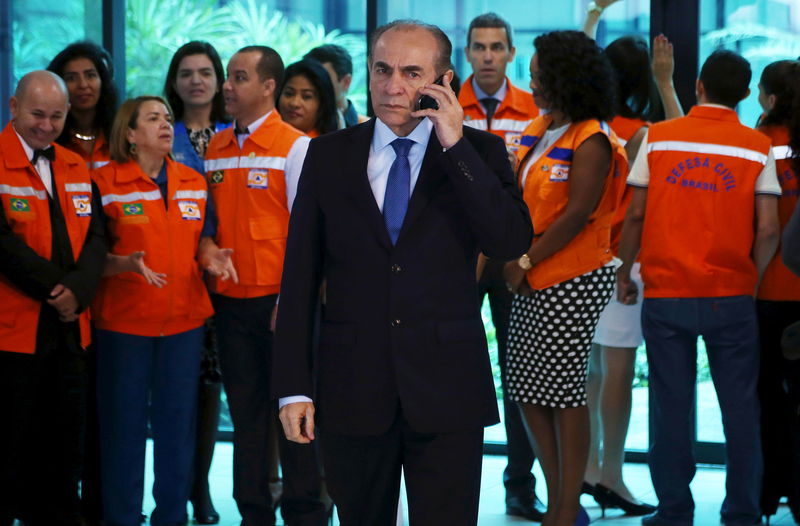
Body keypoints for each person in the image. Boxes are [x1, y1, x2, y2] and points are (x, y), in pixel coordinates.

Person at [273, 19, 533, 526]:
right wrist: (294, 387)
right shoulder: (325, 156)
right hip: (351, 387)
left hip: (448, 389)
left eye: (412, 73)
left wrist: (455, 144)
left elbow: (508, 242)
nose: (393, 86)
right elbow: (299, 279)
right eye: (382, 70)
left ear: (444, 81)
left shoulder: (478, 153)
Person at [616, 49, 781, 526]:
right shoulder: (756, 146)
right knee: (739, 409)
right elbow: (768, 229)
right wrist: (750, 276)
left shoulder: (660, 139)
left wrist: (625, 271)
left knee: (670, 408)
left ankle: (673, 511)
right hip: (731, 294)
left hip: (667, 293)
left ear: (698, 88)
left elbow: (636, 214)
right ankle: (742, 512)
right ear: (747, 95)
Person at [91, 95, 235, 526]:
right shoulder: (104, 182)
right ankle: (121, 517)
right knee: (124, 433)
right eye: (153, 119)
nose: (165, 124)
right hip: (124, 325)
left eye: (168, 118)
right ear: (130, 135)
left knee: (177, 433)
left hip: (184, 325)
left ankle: (171, 517)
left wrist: (211, 256)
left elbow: (203, 238)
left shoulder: (193, 181)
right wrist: (124, 264)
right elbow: (87, 255)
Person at [503, 30, 626, 526]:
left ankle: (564, 506)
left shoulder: (592, 136)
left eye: (538, 74)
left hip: (572, 277)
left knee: (562, 389)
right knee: (526, 386)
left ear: (563, 78)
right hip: (531, 273)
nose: (531, 82)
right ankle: (563, 501)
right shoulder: (541, 127)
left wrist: (527, 262)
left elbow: (577, 214)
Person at [203, 45, 327, 526]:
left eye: (237, 78)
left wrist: (291, 302)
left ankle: (305, 512)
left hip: (280, 307)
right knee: (247, 417)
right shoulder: (214, 147)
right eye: (228, 78)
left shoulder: (294, 146)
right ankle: (252, 511)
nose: (226, 87)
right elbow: (206, 224)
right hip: (231, 305)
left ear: (267, 87)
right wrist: (208, 248)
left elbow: (309, 235)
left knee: (296, 415)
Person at [583, 12, 682, 515]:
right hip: (623, 260)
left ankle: (588, 470)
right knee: (616, 374)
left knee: (595, 372)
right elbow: (682, 137)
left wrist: (593, 17)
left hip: (585, 259)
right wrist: (666, 82)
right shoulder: (644, 133)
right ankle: (612, 477)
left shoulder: (590, 128)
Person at [0, 70, 107, 526]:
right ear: (13, 108)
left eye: (56, 116)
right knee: (10, 444)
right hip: (13, 333)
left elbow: (97, 238)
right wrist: (55, 290)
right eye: (37, 115)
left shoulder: (74, 164)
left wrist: (78, 290)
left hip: (70, 331)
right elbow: (2, 244)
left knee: (65, 444)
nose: (46, 126)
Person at [456, 11, 544, 521]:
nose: (488, 55)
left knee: (518, 375)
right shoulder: (444, 107)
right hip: (457, 258)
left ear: (511, 53)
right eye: (479, 46)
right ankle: (450, 473)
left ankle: (519, 485)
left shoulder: (533, 110)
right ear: (467, 53)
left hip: (515, 258)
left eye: (496, 47)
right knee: (454, 370)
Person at [163, 40, 231, 525]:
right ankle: (172, 488)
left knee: (211, 391)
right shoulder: (162, 133)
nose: (196, 81)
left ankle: (200, 488)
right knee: (175, 393)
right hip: (174, 276)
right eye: (186, 72)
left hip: (228, 278)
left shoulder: (235, 133)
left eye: (205, 71)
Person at [753, 59, 800, 524]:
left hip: (768, 288)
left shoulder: (756, 145)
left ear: (768, 97)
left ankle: (768, 494)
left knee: (769, 398)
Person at [47, 41, 118, 170]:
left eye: (90, 75)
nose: (83, 85)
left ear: (103, 81)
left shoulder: (121, 136)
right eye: (71, 78)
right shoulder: (48, 138)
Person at [303, 44, 367, 128]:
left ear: (346, 82)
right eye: (310, 79)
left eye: (323, 79)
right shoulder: (299, 126)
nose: (313, 86)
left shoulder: (369, 129)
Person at [278, 59, 339, 137]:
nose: (294, 103)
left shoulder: (327, 145)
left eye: (307, 97)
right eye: (289, 94)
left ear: (323, 103)